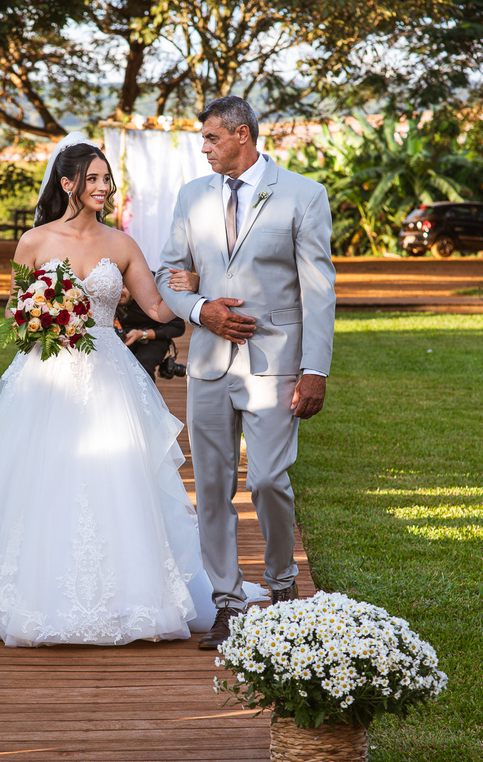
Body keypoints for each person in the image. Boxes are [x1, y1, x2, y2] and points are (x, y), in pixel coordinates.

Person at [0, 133, 248, 647]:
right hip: (46, 376)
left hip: (108, 375)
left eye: (106, 179)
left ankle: (129, 597)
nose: (103, 187)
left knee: (117, 477)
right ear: (67, 183)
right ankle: (31, 595)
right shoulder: (34, 242)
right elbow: (13, 309)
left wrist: (195, 290)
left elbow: (156, 309)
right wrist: (40, 315)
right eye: (92, 178)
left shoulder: (121, 245)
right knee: (41, 478)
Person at [156, 95, 336, 650]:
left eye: (211, 137)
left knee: (267, 480)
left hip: (276, 365)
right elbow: (168, 272)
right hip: (209, 362)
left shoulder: (303, 195)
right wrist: (199, 310)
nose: (204, 148)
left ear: (242, 135)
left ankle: (282, 587)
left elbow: (319, 289)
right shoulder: (192, 196)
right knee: (211, 487)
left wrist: (315, 370)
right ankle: (227, 603)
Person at [116, 284, 187, 380]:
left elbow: (178, 327)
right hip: (122, 337)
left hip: (154, 337)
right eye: (115, 288)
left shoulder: (151, 293)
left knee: (144, 366)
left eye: (123, 287)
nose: (119, 291)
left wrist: (141, 334)